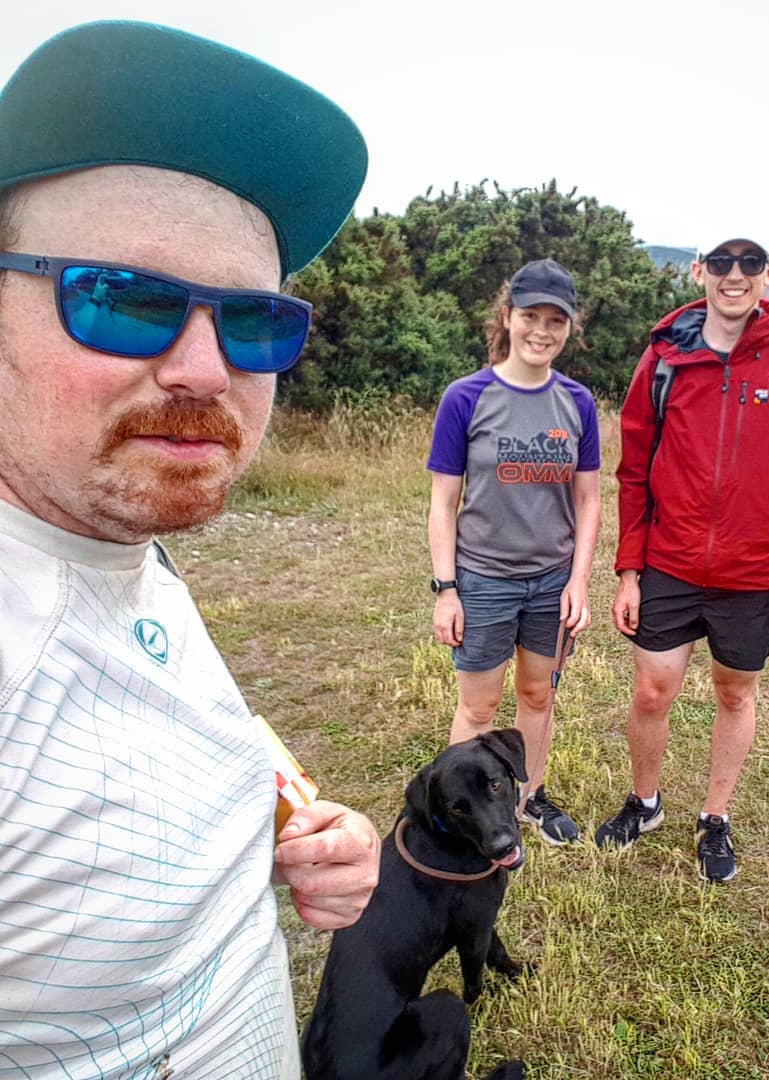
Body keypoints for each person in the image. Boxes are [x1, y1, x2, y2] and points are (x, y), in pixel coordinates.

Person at [0, 22, 380, 1078]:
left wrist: (293, 826)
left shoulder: (121, 544)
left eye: (254, 321)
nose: (206, 370)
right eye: (123, 299)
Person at [594, 234, 769, 883]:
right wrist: (629, 571)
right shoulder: (663, 360)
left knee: (735, 694)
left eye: (750, 263)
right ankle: (645, 803)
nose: (736, 274)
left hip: (755, 574)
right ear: (699, 271)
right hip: (669, 563)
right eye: (722, 262)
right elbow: (633, 472)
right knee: (652, 691)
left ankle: (714, 818)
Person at [427, 259, 601, 846]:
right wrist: (447, 590)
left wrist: (578, 582)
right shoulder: (465, 398)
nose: (541, 331)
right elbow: (443, 502)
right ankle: (458, 820)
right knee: (479, 709)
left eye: (556, 320)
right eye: (530, 316)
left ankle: (530, 799)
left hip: (551, 583)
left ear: (569, 327)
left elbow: (589, 500)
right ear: (508, 317)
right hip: (483, 581)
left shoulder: (577, 402)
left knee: (537, 694)